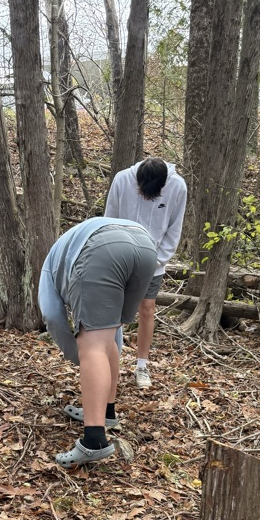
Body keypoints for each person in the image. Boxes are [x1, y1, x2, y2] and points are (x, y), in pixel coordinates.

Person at [39, 217, 157, 467]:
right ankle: (106, 412)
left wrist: (79, 354)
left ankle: (94, 442)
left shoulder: (49, 268)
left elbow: (51, 315)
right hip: (146, 245)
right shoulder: (65, 250)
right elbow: (112, 333)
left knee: (92, 345)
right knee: (105, 334)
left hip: (103, 249)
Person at [104, 157, 187, 389]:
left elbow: (174, 228)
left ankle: (141, 366)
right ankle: (112, 364)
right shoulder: (122, 179)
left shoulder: (178, 186)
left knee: (147, 309)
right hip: (120, 256)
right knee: (116, 311)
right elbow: (109, 218)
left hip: (154, 260)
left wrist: (157, 260)